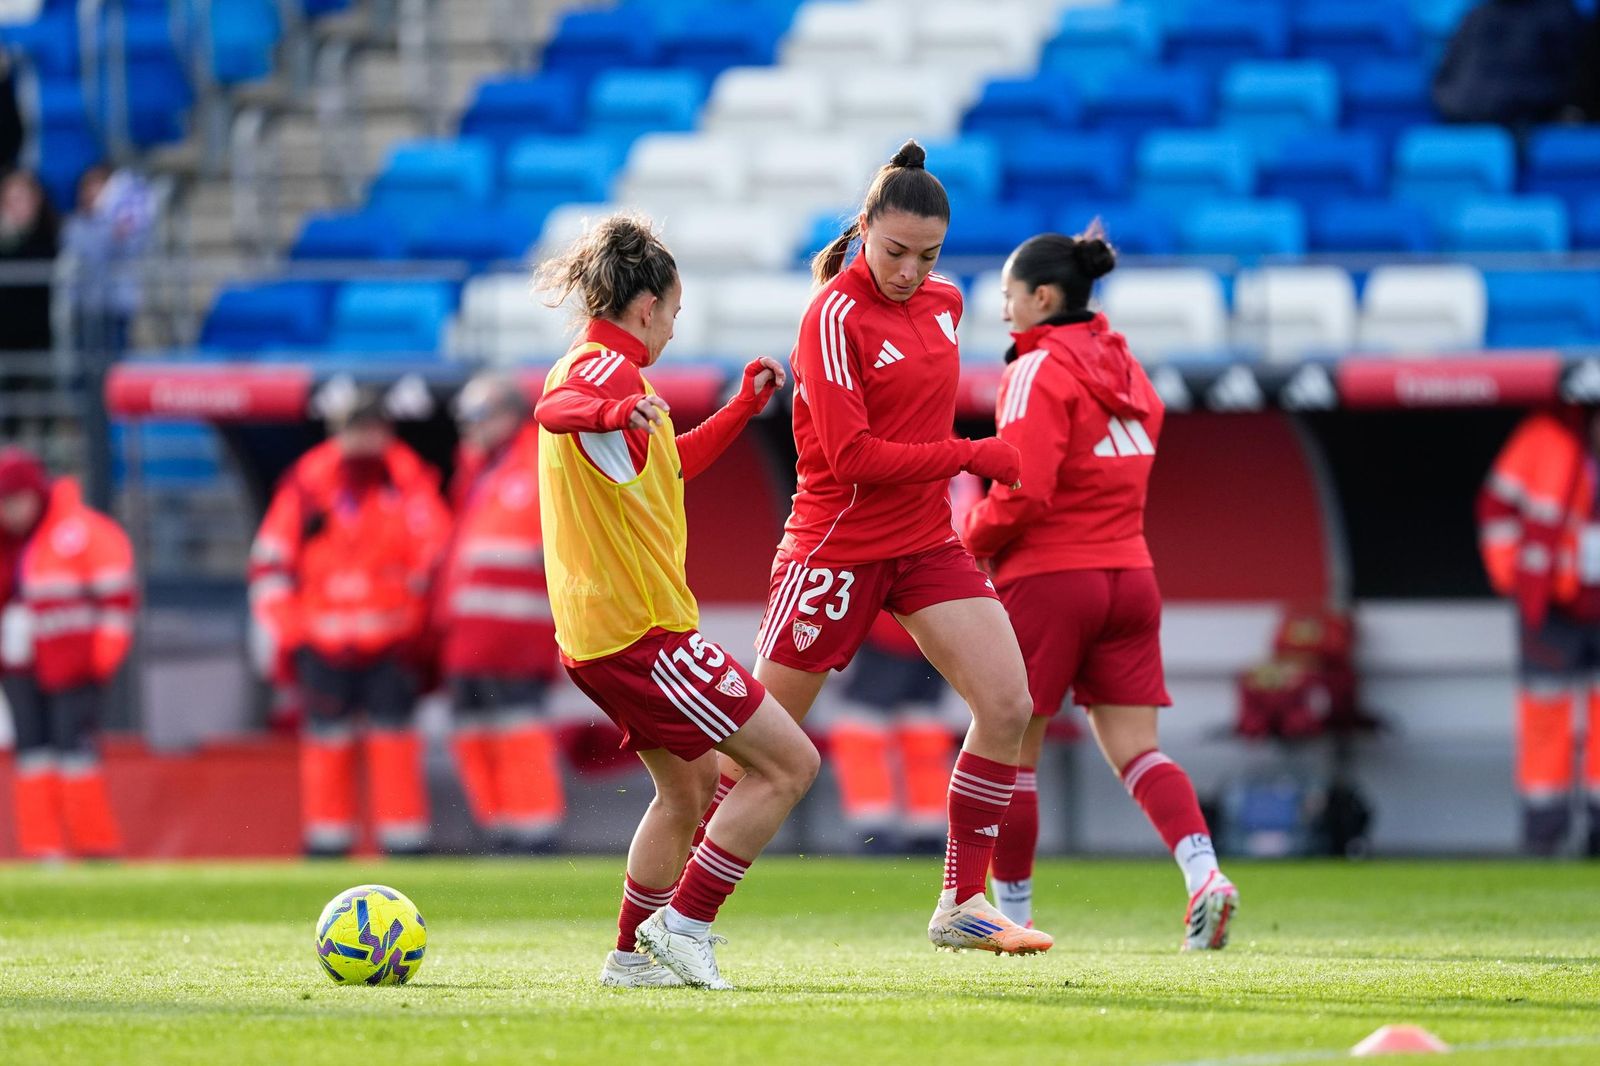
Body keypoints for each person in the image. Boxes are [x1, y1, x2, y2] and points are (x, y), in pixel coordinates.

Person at [706, 140, 1051, 955]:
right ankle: (672, 915)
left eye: (928, 255)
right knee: (755, 751)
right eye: (896, 251)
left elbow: (916, 423)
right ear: (863, 229)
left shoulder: (946, 302)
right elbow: (852, 456)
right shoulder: (831, 316)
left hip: (925, 542)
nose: (909, 270)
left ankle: (961, 902)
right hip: (836, 548)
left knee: (1010, 705)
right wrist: (972, 453)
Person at [532, 212, 818, 991]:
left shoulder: (617, 380)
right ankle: (684, 926)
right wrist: (611, 408)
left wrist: (739, 409)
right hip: (643, 632)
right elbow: (555, 411)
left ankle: (631, 959)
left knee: (686, 792)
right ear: (647, 305)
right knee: (790, 764)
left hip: (602, 635)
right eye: (674, 313)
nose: (672, 330)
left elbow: (669, 466)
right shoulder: (603, 370)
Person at [960, 228, 1239, 951]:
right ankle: (1205, 875)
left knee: (1012, 752)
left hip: (1049, 579)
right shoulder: (1128, 367)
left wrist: (968, 537)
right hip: (1131, 576)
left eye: (1009, 297)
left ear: (1043, 297)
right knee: (1139, 751)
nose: (1004, 312)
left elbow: (1026, 491)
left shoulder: (1035, 368)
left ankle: (1015, 916)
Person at [248, 390, 451, 857]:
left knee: (395, 743)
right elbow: (270, 564)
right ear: (336, 432)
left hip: (392, 644)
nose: (364, 438)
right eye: (354, 428)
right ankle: (327, 844)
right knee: (326, 744)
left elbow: (435, 560)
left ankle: (405, 845)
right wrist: (293, 635)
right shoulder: (306, 485)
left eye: (372, 428)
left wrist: (419, 634)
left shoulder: (408, 484)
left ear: (388, 431)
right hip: (322, 645)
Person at [439, 372, 565, 853]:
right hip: (469, 635)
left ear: (509, 414)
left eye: (478, 416)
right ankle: (499, 831)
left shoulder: (536, 461)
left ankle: (537, 833)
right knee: (472, 731)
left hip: (517, 632)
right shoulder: (479, 471)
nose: (469, 428)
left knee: (519, 728)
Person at [0, 447, 134, 860]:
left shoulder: (80, 531)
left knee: (75, 754)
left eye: (15, 500)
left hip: (73, 665)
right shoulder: (7, 542)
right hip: (18, 665)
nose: (10, 512)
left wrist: (102, 657)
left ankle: (93, 846)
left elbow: (118, 595)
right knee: (32, 756)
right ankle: (44, 849)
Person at [1478, 408, 1600, 855]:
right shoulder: (1545, 435)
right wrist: (1516, 572)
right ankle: (1543, 834)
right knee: (1545, 714)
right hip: (1550, 604)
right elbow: (1496, 505)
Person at [827, 612, 956, 854]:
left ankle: (877, 828)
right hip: (935, 630)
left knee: (866, 731)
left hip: (890, 627)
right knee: (921, 734)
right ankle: (923, 830)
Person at [1432, 0, 1587, 129]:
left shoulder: (1556, 14)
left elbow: (1571, 83)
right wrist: (1451, 102)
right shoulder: (1476, 15)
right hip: (1460, 121)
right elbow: (1444, 76)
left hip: (1524, 126)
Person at [0, 169, 59, 354]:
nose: (15, 207)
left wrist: (11, 239)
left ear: (37, 200)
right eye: (10, 201)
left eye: (21, 199)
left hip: (40, 339)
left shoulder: (51, 236)